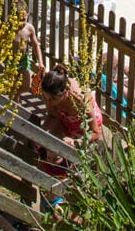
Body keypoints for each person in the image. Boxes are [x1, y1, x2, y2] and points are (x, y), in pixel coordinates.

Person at [19, 22, 106, 170]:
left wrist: (75, 142)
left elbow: (96, 133)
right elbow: (53, 116)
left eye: (53, 99)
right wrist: (42, 133)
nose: (50, 102)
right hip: (66, 123)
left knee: (67, 156)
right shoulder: (50, 94)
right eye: (47, 98)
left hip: (84, 129)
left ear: (65, 92)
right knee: (44, 145)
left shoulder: (80, 99)